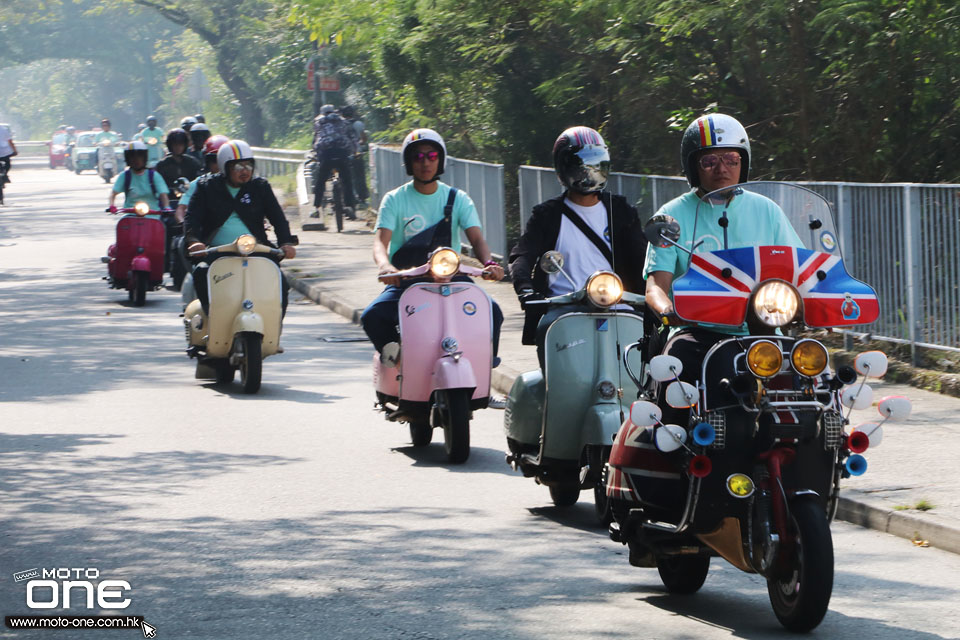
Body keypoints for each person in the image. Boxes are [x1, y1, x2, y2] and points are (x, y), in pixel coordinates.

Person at [642, 113, 802, 424]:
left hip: (762, 329)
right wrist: (667, 310)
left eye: (731, 158)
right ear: (693, 167)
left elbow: (797, 272)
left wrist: (812, 306)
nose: (722, 168)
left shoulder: (767, 210)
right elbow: (655, 285)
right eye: (709, 161)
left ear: (744, 163)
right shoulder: (671, 216)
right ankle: (673, 447)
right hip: (696, 331)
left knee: (808, 377)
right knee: (677, 363)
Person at [360, 128, 505, 365]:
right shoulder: (394, 199)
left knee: (492, 312)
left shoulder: (458, 199)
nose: (425, 162)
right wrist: (386, 267)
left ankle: (483, 370)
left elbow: (477, 240)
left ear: (441, 160)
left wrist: (489, 264)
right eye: (418, 157)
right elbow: (380, 242)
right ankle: (398, 365)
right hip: (406, 280)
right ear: (408, 163)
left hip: (452, 279)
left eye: (432, 156)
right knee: (372, 316)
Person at [508, 126, 647, 369]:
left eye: (596, 164)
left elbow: (643, 257)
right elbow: (523, 254)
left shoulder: (622, 212)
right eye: (579, 164)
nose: (588, 172)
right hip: (563, 311)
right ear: (564, 168)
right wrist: (526, 289)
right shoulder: (546, 215)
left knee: (643, 374)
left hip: (620, 306)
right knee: (558, 364)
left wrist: (658, 289)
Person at [183, 140, 298, 315]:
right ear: (225, 167)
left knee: (280, 281)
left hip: (256, 250)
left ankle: (273, 331)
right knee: (201, 272)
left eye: (248, 165)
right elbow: (192, 218)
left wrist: (285, 242)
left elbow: (278, 218)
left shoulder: (260, 187)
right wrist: (194, 241)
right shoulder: (207, 187)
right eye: (238, 167)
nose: (244, 171)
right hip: (216, 252)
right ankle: (210, 318)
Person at [311, 104, 357, 219]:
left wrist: (315, 153)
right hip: (342, 152)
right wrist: (355, 151)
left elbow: (316, 139)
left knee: (321, 180)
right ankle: (350, 207)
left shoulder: (319, 122)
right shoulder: (343, 121)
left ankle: (316, 208)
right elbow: (352, 138)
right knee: (347, 180)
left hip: (326, 153)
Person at [175, 134, 228, 223]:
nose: (219, 165)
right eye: (215, 160)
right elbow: (181, 210)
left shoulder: (242, 184)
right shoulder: (198, 184)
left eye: (225, 160)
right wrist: (184, 224)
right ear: (207, 162)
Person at [107, 141, 170, 212]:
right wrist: (112, 206)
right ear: (128, 159)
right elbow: (113, 194)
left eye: (139, 156)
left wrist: (166, 207)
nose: (136, 159)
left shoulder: (154, 175)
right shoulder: (124, 176)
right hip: (130, 217)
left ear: (144, 158)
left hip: (153, 216)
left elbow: (163, 194)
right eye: (132, 156)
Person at [156, 128, 202, 206]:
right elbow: (157, 186)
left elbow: (199, 182)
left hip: (190, 201)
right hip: (168, 202)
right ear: (170, 145)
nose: (178, 147)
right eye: (175, 144)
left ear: (185, 145)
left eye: (181, 144)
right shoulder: (162, 165)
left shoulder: (193, 163)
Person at [341, 105, 369, 208]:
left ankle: (350, 199)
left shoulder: (340, 124)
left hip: (344, 154)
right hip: (357, 153)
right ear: (353, 113)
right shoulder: (358, 124)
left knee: (347, 177)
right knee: (360, 176)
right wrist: (358, 143)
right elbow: (364, 139)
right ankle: (362, 198)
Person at [0, 122, 18, 192]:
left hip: (4, 152)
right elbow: (10, 142)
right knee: (7, 164)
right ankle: (5, 175)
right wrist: (15, 151)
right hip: (5, 152)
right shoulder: (4, 130)